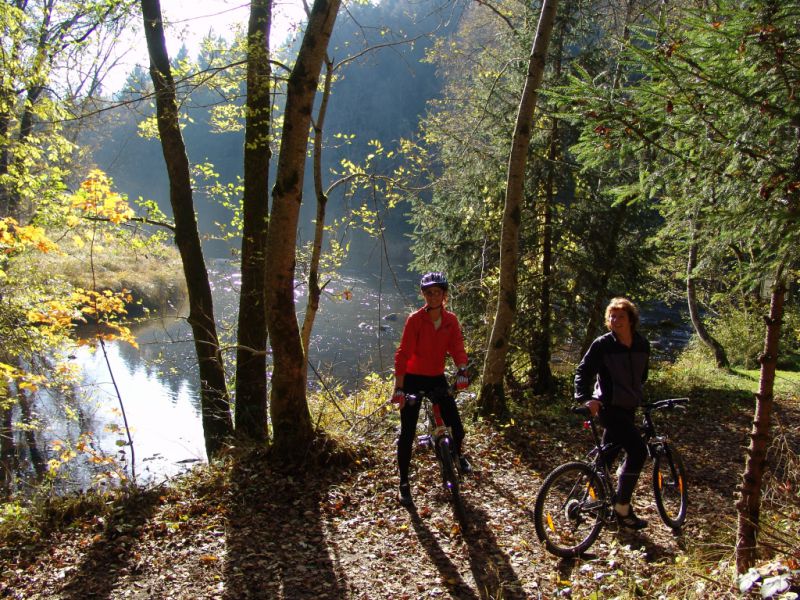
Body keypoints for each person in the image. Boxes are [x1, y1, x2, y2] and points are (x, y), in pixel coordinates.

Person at [392, 272, 470, 507]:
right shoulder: (415, 320)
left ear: (444, 295)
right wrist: (399, 388)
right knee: (407, 434)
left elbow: (457, 347)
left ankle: (456, 456)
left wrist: (463, 369)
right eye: (428, 293)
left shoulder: (451, 320)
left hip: (436, 377)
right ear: (423, 295)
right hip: (413, 379)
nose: (433, 297)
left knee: (457, 427)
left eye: (437, 292)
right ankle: (404, 483)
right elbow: (403, 353)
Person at [574, 297, 650, 530]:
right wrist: (586, 398)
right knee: (638, 451)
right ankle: (622, 508)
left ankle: (592, 500)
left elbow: (642, 375)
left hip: (629, 407)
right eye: (612, 316)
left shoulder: (641, 344)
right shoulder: (603, 344)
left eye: (620, 316)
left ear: (631, 319)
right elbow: (583, 371)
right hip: (608, 407)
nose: (615, 320)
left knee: (607, 454)